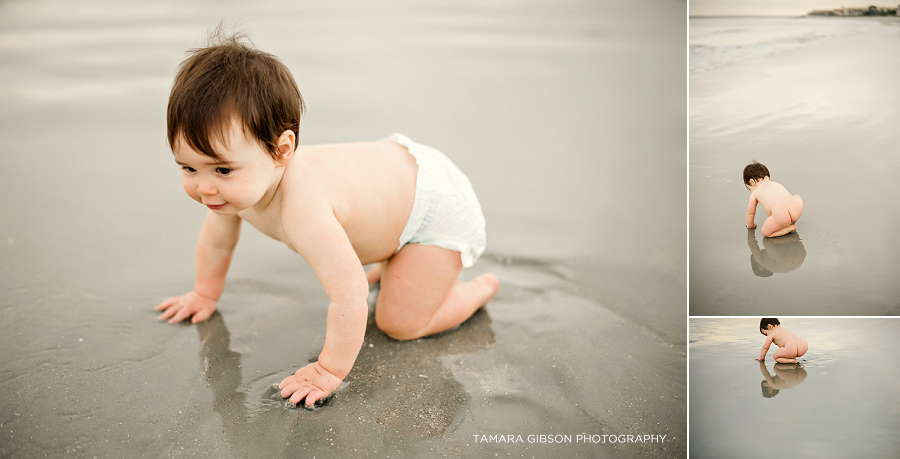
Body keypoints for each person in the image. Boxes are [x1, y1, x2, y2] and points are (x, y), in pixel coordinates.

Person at [154, 32, 499, 407]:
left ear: (281, 150)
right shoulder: (235, 189)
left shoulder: (303, 209)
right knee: (371, 240)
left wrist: (329, 369)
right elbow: (216, 241)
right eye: (188, 167)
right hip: (393, 184)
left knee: (399, 323)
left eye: (221, 169)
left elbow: (348, 293)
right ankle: (397, 262)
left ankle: (475, 290)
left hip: (433, 208)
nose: (204, 188)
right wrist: (205, 293)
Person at [743, 161, 803, 237]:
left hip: (781, 217)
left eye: (750, 189)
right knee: (797, 197)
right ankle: (791, 221)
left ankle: (788, 229)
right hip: (796, 210)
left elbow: (750, 213)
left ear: (752, 182)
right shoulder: (775, 183)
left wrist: (750, 225)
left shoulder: (755, 193)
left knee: (765, 232)